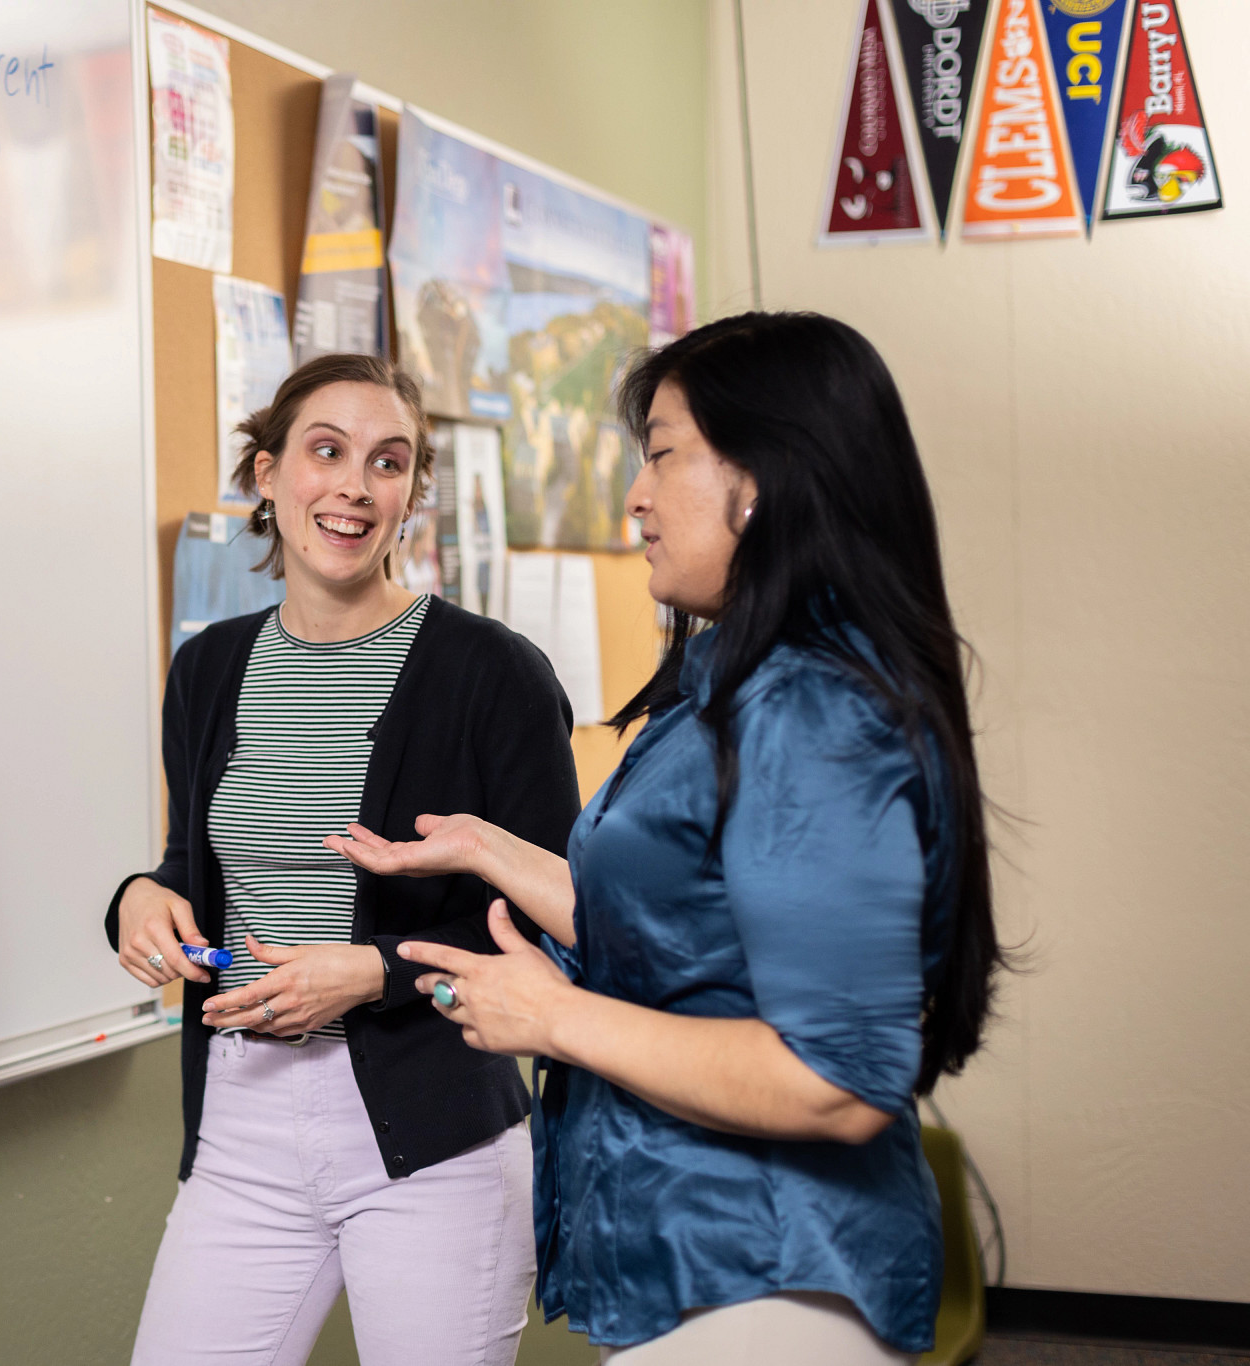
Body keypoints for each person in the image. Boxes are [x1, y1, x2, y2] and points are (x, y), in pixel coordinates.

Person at [331, 312, 1006, 1364]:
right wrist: (491, 850)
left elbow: (834, 1080)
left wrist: (555, 1020)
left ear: (764, 475)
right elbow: (680, 930)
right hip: (692, 1265)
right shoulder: (727, 691)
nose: (635, 498)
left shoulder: (811, 713)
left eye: (659, 456)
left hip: (770, 1272)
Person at [107, 352, 582, 1366]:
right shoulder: (209, 667)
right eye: (325, 452)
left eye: (387, 462)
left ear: (411, 494)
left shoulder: (492, 673)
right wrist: (139, 896)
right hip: (240, 1122)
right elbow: (194, 861)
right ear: (267, 475)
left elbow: (552, 923)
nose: (354, 487)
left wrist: (372, 971)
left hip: (432, 1129)